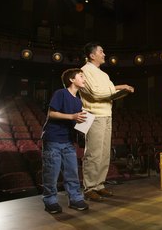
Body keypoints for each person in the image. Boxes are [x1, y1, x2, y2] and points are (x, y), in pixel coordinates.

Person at [80, 42, 134, 202]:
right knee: (93, 153)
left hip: (106, 114)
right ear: (92, 55)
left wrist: (122, 89)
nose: (104, 54)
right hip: (92, 114)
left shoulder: (103, 74)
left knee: (104, 154)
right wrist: (117, 89)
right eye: (101, 51)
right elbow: (96, 93)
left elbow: (108, 91)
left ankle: (99, 185)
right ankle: (89, 188)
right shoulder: (84, 70)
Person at [42, 68, 89, 214]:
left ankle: (75, 198)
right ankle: (50, 200)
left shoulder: (78, 101)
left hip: (69, 140)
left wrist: (84, 124)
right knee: (52, 172)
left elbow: (75, 121)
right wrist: (72, 117)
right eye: (81, 76)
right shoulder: (60, 93)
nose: (84, 79)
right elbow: (52, 113)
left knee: (72, 172)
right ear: (72, 80)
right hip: (53, 139)